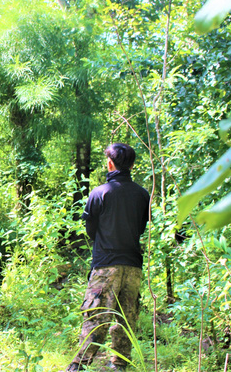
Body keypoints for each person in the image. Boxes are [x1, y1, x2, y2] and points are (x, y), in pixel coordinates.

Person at [66, 143, 150, 372]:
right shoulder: (143, 194)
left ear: (110, 163)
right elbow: (140, 228)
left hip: (105, 265)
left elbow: (91, 230)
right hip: (133, 265)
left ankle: (79, 365)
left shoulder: (99, 192)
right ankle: (120, 365)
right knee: (127, 318)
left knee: (96, 316)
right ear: (132, 165)